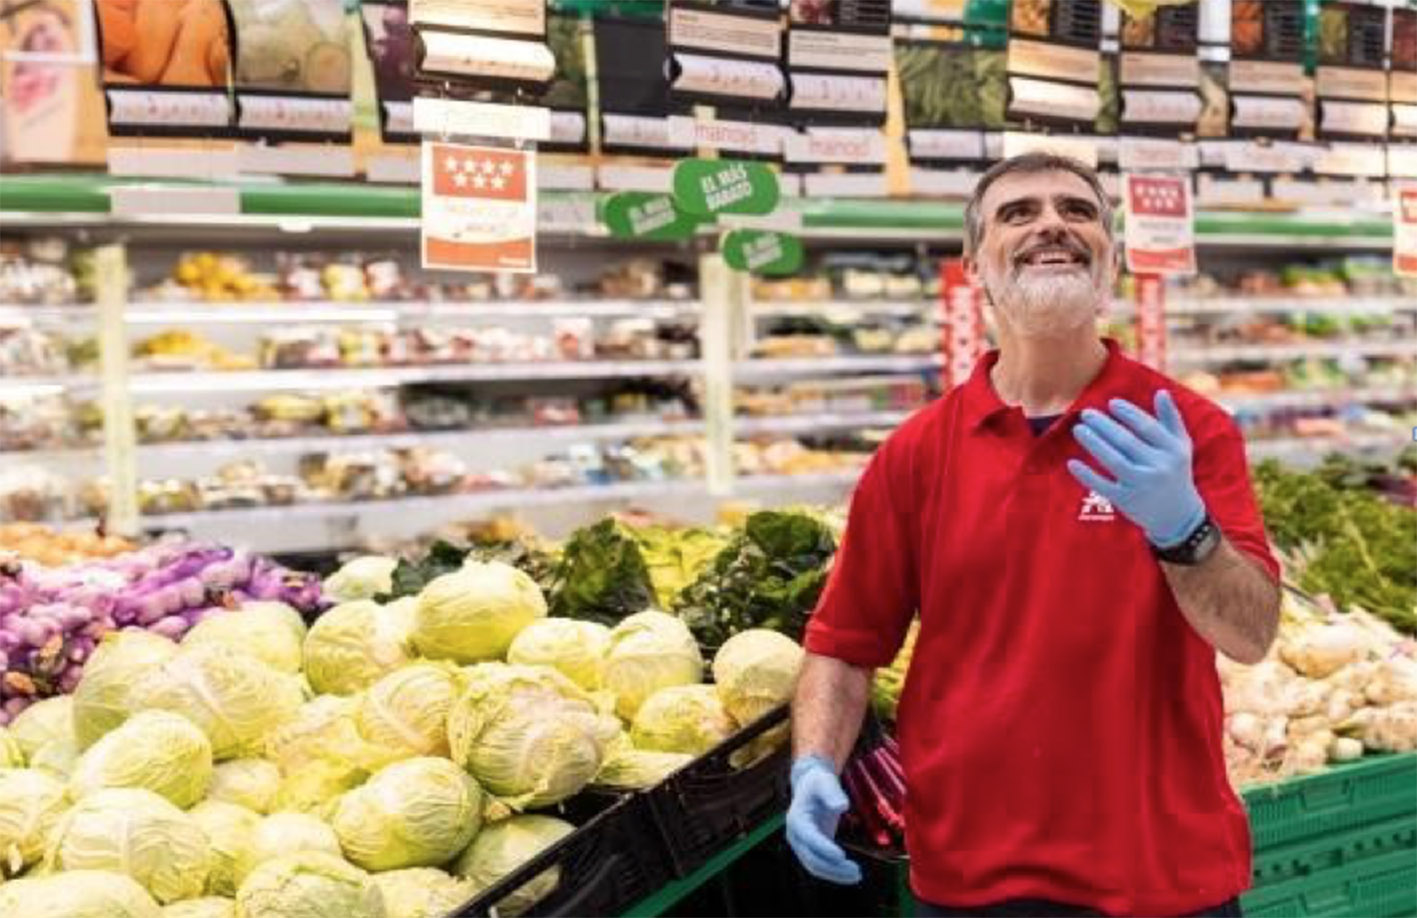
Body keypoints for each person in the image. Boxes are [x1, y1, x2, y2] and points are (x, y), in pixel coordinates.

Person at [786, 153, 1282, 918]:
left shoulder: (1186, 431)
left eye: (1077, 211)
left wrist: (1185, 532)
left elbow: (1249, 635)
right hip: (971, 870)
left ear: (1110, 258)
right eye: (1017, 213)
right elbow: (844, 644)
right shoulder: (915, 453)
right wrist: (813, 763)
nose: (1052, 223)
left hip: (1156, 868)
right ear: (973, 264)